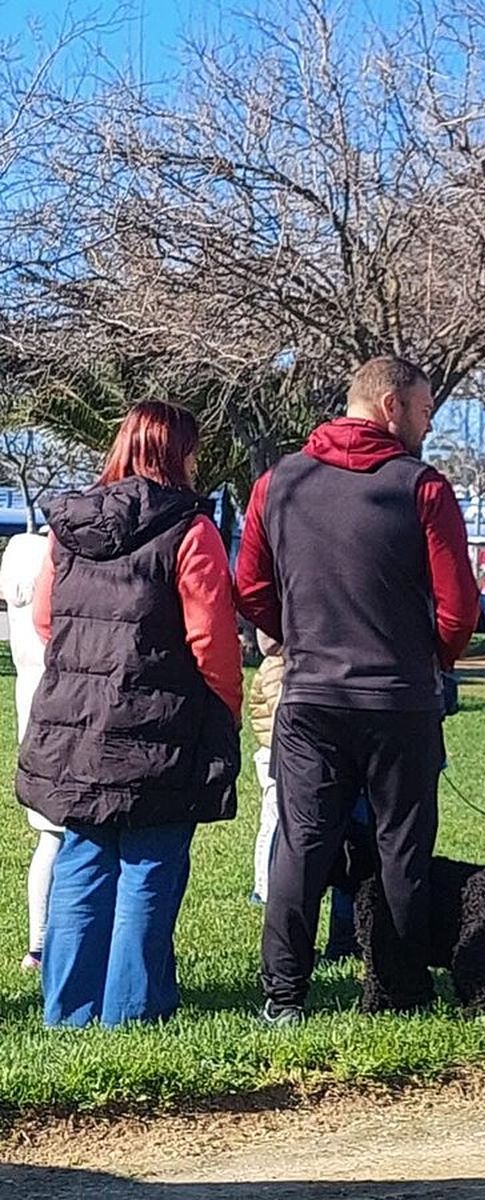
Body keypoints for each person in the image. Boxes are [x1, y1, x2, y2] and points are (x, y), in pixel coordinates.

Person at [235, 356, 479, 1023]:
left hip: (311, 695)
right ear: (391, 405)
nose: (429, 425)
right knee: (402, 846)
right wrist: (432, 658)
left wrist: (297, 634)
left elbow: (250, 587)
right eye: (425, 411)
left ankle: (284, 995)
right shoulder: (422, 487)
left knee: (301, 843)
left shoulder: (277, 483)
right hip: (399, 699)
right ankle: (399, 991)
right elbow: (459, 607)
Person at [18, 402, 242, 1027]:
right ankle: (132, 1011)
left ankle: (69, 1010)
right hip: (161, 721)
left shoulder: (69, 528)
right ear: (178, 453)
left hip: (78, 721)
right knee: (150, 863)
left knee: (82, 858)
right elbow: (211, 639)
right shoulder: (190, 529)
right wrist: (224, 707)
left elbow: (45, 619)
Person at [1, 529, 58, 970]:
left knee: (48, 837)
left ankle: (37, 941)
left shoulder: (16, 592)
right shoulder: (50, 590)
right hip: (59, 715)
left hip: (30, 716)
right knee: (62, 840)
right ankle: (45, 940)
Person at [249, 630, 286, 906]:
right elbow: (278, 712)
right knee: (273, 820)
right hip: (275, 753)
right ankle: (263, 887)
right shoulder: (277, 666)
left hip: (278, 750)